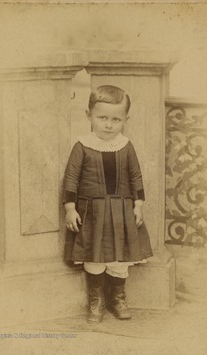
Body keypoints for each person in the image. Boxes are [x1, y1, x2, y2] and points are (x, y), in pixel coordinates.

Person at [63, 85, 153, 323]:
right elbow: (71, 177)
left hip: (121, 212)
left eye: (116, 119)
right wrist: (70, 208)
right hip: (93, 212)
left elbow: (136, 176)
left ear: (125, 119)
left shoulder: (126, 145)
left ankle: (118, 296)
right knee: (95, 256)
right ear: (89, 115)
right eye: (102, 118)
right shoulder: (82, 146)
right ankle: (96, 300)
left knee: (119, 258)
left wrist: (138, 205)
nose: (109, 125)